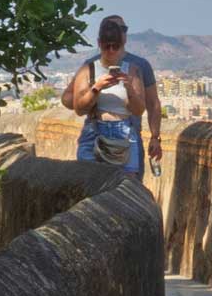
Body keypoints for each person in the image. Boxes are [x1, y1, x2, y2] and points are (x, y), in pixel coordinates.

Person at [62, 15, 155, 176]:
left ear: (123, 43)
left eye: (115, 46)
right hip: (94, 132)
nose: (111, 50)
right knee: (88, 188)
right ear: (99, 44)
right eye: (107, 46)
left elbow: (141, 109)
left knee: (126, 191)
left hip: (125, 133)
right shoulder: (88, 69)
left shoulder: (134, 69)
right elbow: (77, 107)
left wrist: (129, 89)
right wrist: (97, 88)